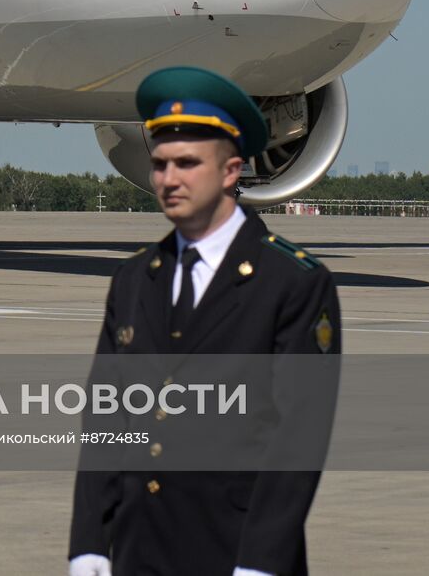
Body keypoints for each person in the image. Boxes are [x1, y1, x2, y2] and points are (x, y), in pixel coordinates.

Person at [68, 67, 342, 576]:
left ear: (232, 171)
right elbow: (105, 423)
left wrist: (260, 563)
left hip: (233, 553)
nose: (170, 180)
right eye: (161, 164)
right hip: (137, 552)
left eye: (188, 164)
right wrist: (88, 544)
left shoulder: (294, 284)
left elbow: (298, 440)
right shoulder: (132, 281)